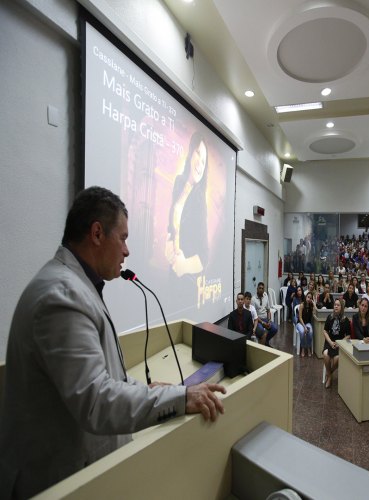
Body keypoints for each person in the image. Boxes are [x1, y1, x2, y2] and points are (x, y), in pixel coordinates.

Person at [0, 187, 225, 499]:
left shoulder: (73, 284)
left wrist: (147, 390)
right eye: (123, 237)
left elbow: (103, 379)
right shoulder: (62, 297)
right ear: (96, 233)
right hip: (57, 483)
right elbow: (95, 400)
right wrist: (179, 398)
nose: (127, 251)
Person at [166, 132, 209, 278]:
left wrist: (183, 266)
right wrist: (168, 243)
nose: (200, 164)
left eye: (204, 161)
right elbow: (171, 227)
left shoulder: (200, 200)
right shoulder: (179, 183)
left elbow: (204, 256)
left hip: (188, 279)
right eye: (198, 154)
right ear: (191, 153)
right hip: (172, 271)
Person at [322, 299, 351, 388]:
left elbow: (348, 335)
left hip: (340, 343)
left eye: (338, 305)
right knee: (326, 354)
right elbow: (325, 331)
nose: (336, 306)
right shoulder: (329, 317)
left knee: (337, 358)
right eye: (335, 305)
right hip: (329, 342)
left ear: (341, 307)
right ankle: (330, 376)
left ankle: (329, 373)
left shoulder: (345, 320)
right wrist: (330, 342)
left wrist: (340, 342)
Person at [252, 282, 278, 346]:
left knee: (274, 328)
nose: (261, 289)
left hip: (266, 319)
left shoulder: (265, 296)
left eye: (262, 288)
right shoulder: (253, 299)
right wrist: (263, 323)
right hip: (258, 320)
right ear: (257, 289)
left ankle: (265, 341)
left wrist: (269, 320)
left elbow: (268, 310)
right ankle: (262, 344)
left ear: (264, 290)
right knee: (261, 331)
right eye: (259, 288)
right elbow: (254, 315)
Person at [296, 292, 315, 357]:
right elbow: (300, 317)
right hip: (300, 323)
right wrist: (304, 327)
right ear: (306, 297)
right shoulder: (302, 305)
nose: (309, 299)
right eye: (308, 297)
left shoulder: (311, 306)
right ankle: (303, 348)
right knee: (302, 332)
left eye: (310, 298)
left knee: (311, 332)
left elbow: (315, 313)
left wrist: (314, 304)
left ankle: (309, 347)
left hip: (308, 323)